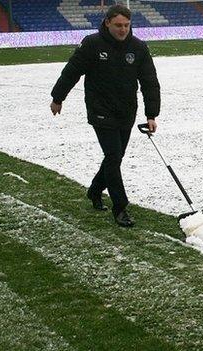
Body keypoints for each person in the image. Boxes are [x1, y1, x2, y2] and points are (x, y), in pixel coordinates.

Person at [50, 4, 160, 227]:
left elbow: (150, 82)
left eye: (127, 25)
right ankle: (120, 207)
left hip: (126, 112)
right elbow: (72, 71)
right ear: (107, 22)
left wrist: (151, 114)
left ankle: (94, 190)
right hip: (100, 110)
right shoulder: (92, 44)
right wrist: (57, 97)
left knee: (116, 157)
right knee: (112, 156)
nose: (123, 30)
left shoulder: (138, 47)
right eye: (118, 25)